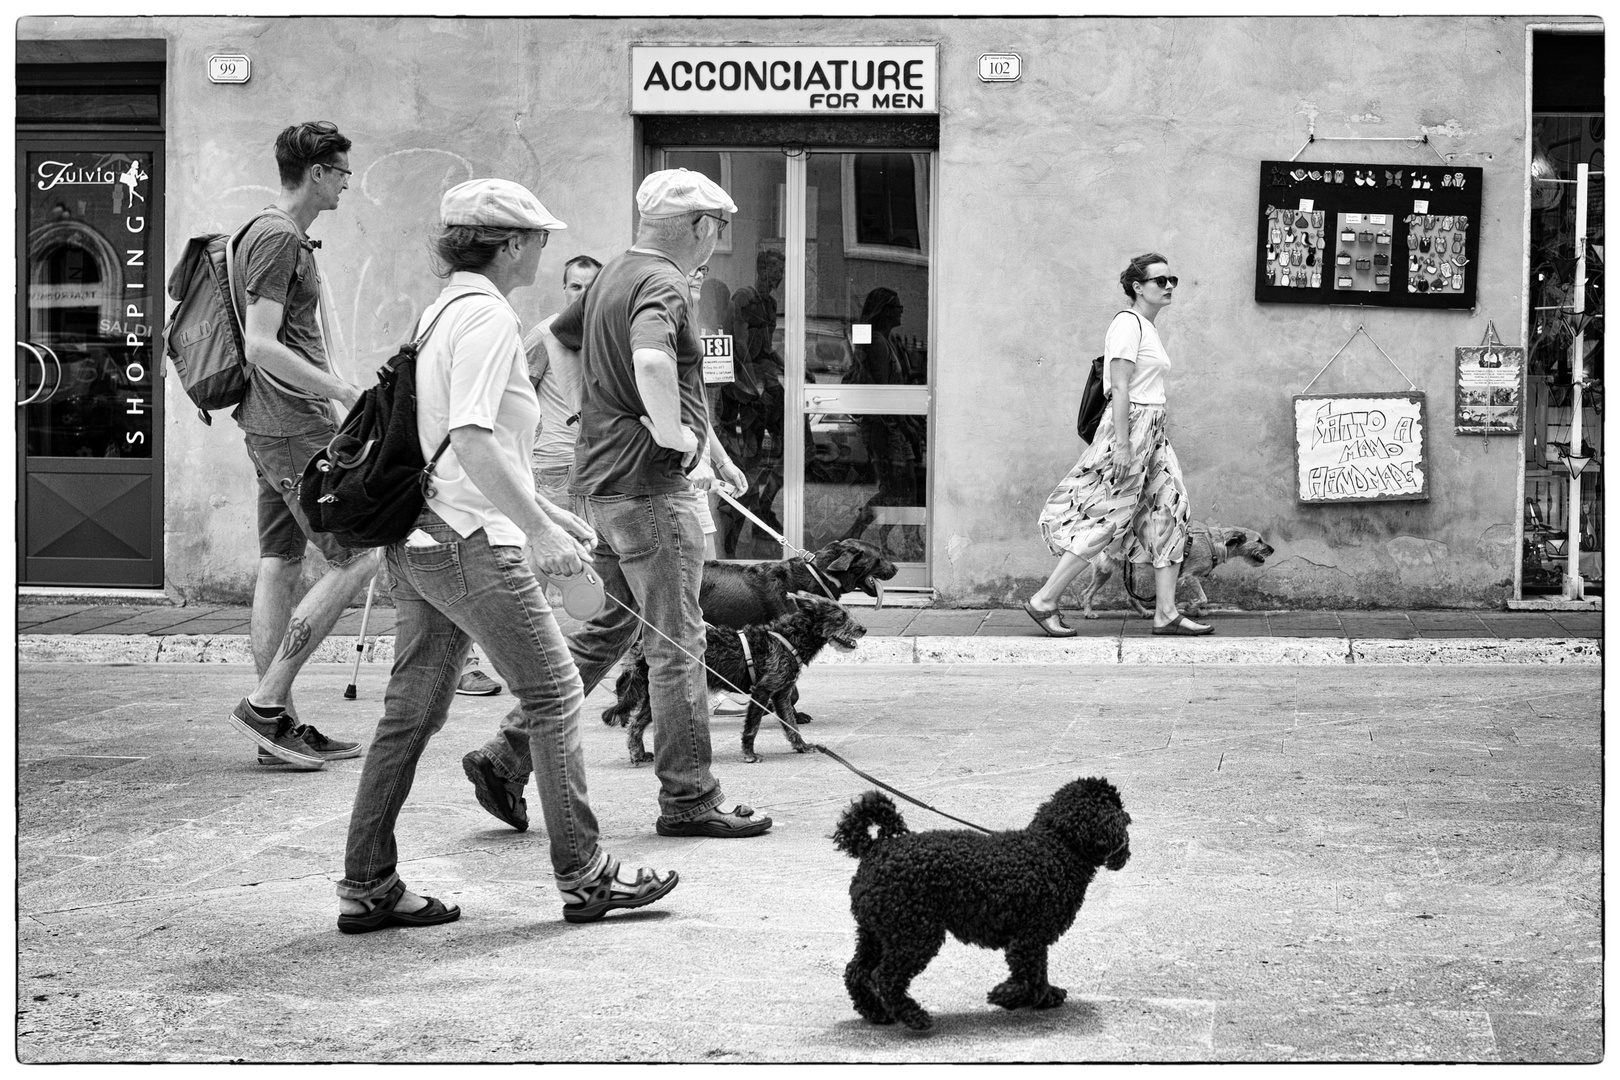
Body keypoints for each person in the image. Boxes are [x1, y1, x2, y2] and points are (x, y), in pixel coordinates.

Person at [336, 178, 679, 933]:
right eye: (540, 237)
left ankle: (367, 882)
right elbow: (470, 438)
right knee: (556, 695)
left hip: (423, 538)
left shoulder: (443, 309)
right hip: (471, 545)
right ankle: (586, 877)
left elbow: (459, 448)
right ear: (513, 244)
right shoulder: (488, 317)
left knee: (409, 716)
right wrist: (543, 532)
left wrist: (547, 510)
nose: (547, 247)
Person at [463, 167, 770, 840]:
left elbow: (559, 336)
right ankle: (689, 797)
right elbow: (656, 365)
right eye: (717, 229)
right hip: (649, 492)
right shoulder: (662, 281)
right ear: (699, 226)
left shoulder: (612, 273)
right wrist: (675, 436)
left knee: (610, 629)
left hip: (602, 484)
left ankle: (504, 755)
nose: (716, 243)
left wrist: (590, 414)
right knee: (678, 644)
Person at [226, 121, 381, 770]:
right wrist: (338, 389)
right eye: (342, 172)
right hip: (292, 423)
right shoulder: (277, 237)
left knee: (280, 561)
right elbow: (262, 344)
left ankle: (277, 724)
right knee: (358, 555)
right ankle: (267, 705)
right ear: (317, 172)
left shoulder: (274, 233)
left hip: (274, 421)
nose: (348, 182)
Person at [1023, 253, 1211, 637]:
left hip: (1153, 430)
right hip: (1132, 429)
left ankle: (1166, 612)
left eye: (1171, 278)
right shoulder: (1127, 324)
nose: (1169, 285)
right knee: (1109, 516)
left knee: (1171, 509)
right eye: (1160, 281)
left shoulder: (1147, 327)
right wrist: (1123, 446)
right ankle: (1045, 599)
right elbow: (1120, 387)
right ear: (1138, 287)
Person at [455, 254, 603, 697]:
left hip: (596, 469)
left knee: (587, 564)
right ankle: (512, 657)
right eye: (575, 287)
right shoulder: (545, 334)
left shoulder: (601, 335)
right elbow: (513, 392)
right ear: (564, 291)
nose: (583, 296)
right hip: (553, 463)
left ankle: (573, 655)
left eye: (591, 287)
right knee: (534, 564)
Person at [715, 248, 787, 558]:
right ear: (761, 270)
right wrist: (754, 389)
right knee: (747, 460)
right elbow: (738, 348)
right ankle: (733, 538)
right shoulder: (743, 298)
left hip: (766, 385)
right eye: (773, 270)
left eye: (781, 271)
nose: (778, 277)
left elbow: (765, 348)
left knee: (797, 450)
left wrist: (788, 367)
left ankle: (762, 508)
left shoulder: (770, 303)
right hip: (744, 393)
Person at [844, 288, 924, 557]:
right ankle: (857, 533)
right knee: (896, 488)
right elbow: (882, 393)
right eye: (896, 307)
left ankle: (909, 540)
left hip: (893, 425)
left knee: (906, 488)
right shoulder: (877, 343)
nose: (901, 311)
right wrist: (905, 426)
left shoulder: (887, 341)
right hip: (885, 427)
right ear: (884, 311)